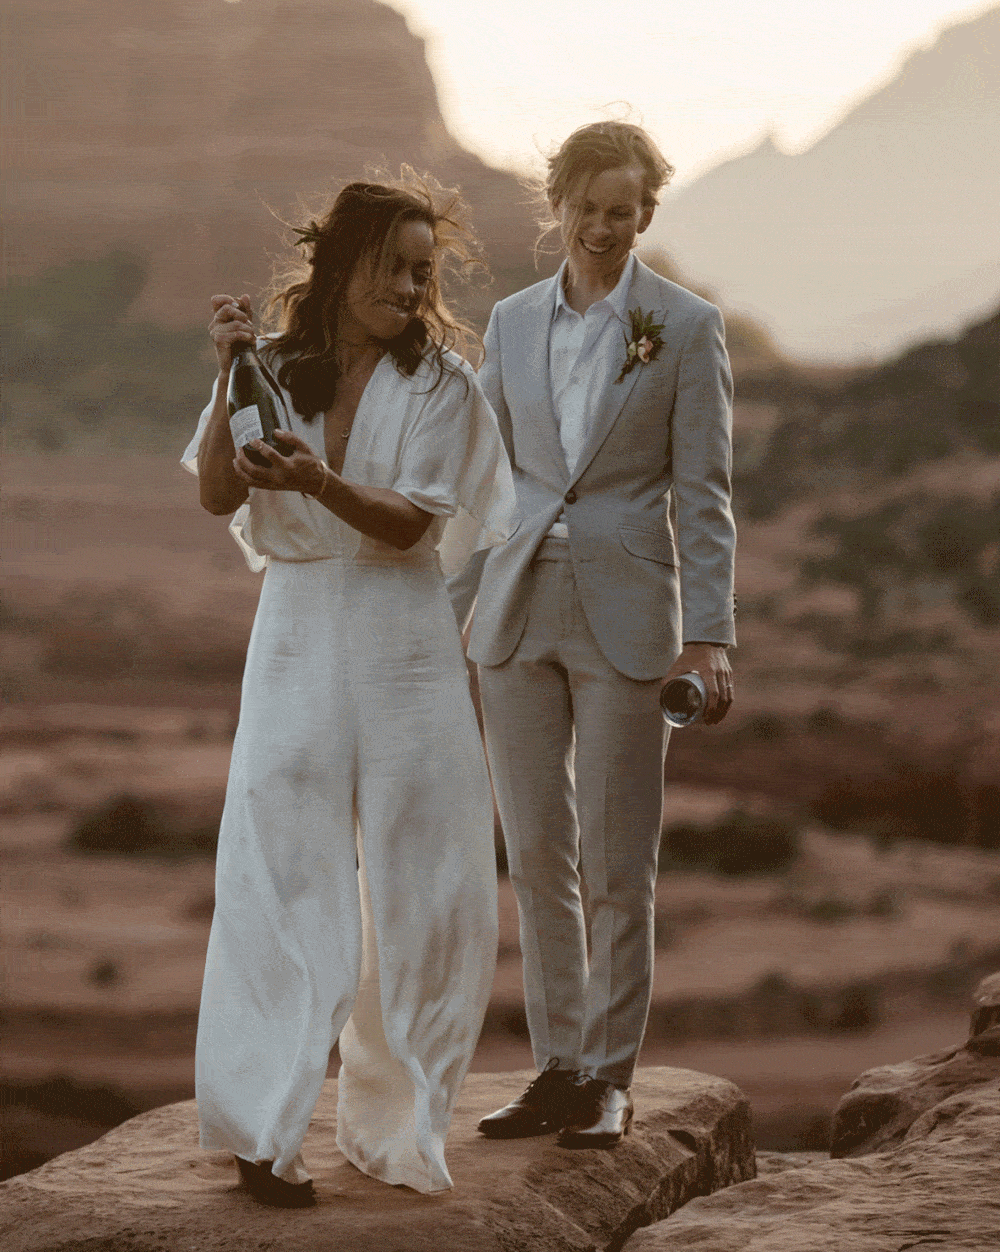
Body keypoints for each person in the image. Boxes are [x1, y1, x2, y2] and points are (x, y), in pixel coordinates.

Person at [182, 176, 518, 1207]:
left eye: (427, 272)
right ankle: (264, 1130)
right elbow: (213, 489)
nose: (416, 289)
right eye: (398, 268)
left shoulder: (446, 388)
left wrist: (317, 483)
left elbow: (414, 523)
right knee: (277, 868)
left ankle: (397, 1122)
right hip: (295, 632)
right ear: (342, 267)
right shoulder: (276, 368)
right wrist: (235, 371)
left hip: (406, 639)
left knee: (427, 876)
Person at [447, 121, 737, 1148]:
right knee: (535, 855)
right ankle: (556, 1069)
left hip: (629, 616)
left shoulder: (685, 326)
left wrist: (709, 639)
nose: (605, 226)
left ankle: (610, 1079)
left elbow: (703, 494)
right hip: (516, 607)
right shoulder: (514, 322)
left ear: (644, 214)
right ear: (557, 202)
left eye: (625, 210)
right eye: (590, 205)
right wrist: (443, 620)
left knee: (618, 862)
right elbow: (485, 484)